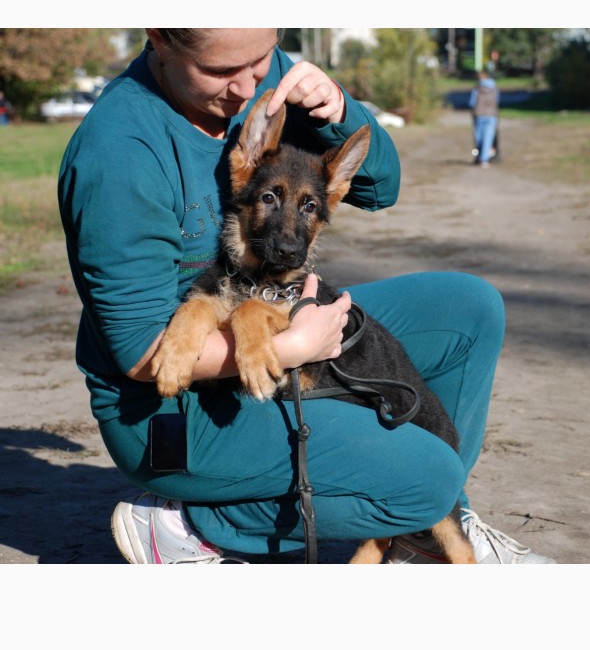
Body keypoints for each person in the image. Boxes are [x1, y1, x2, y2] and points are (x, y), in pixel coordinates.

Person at [57, 28, 555, 565]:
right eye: (223, 72)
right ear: (159, 39)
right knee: (430, 480)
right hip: (169, 412)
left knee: (469, 309)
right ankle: (192, 523)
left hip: (274, 310)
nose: (248, 87)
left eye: (260, 60)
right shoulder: (121, 150)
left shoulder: (264, 81)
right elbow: (140, 352)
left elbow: (379, 187)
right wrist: (293, 349)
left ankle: (425, 526)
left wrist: (338, 107)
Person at [469, 70, 499, 167]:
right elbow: (497, 100)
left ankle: (479, 156)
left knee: (479, 138)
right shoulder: (494, 87)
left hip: (479, 114)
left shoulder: (477, 87)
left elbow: (472, 102)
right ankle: (484, 159)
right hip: (491, 115)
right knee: (488, 138)